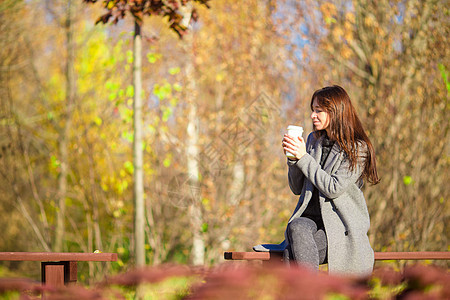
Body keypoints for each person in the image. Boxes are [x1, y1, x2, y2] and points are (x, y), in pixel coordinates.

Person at [254, 85, 380, 276]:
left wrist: (303, 158)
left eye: (319, 111)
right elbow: (297, 188)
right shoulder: (314, 140)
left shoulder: (358, 149)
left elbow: (333, 187)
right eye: (313, 110)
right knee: (296, 225)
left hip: (340, 227)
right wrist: (293, 159)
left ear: (336, 112)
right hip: (310, 222)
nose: (313, 115)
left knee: (290, 255)